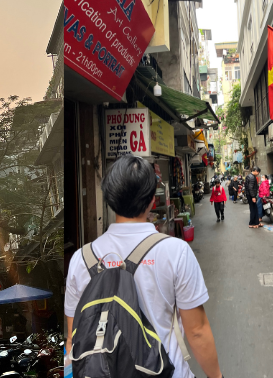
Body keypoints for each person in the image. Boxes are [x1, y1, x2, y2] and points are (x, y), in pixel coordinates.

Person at [64, 155, 223, 378]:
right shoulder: (175, 251)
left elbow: (74, 336)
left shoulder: (81, 259)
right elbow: (196, 331)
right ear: (151, 200)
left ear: (110, 199)